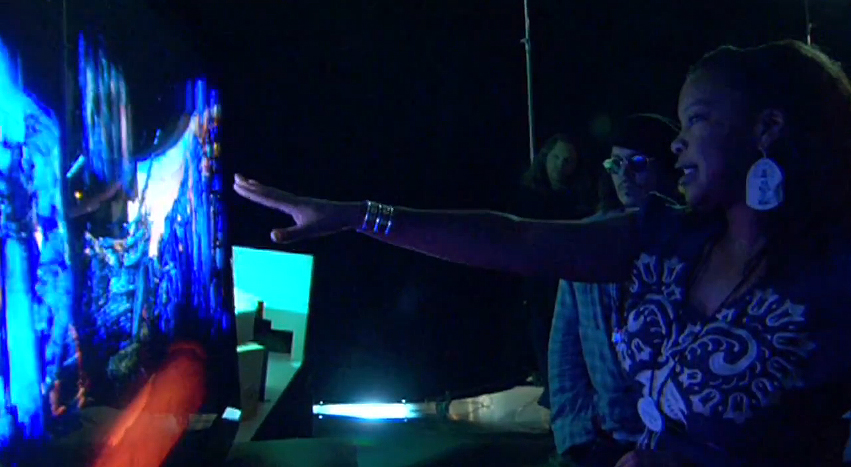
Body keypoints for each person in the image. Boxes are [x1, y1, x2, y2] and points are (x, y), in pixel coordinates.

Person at [234, 39, 851, 466]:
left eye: (698, 120)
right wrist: (356, 215)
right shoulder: (666, 238)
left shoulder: (832, 275)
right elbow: (516, 238)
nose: (679, 144)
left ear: (767, 129)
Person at [548, 114, 680, 467]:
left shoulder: (691, 242)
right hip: (605, 433)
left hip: (673, 437)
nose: (623, 174)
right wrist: (573, 435)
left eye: (636, 163)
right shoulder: (588, 240)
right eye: (615, 164)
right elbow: (565, 346)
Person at [511, 133, 599, 410]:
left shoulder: (578, 202)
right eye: (556, 157)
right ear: (545, 158)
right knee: (546, 347)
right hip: (539, 287)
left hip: (569, 283)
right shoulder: (528, 198)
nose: (560, 165)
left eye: (567, 160)